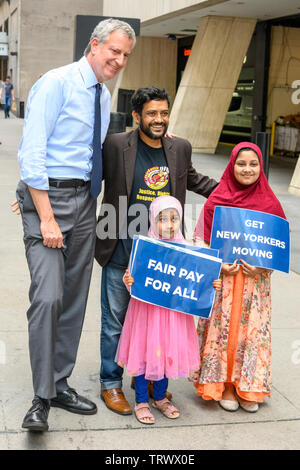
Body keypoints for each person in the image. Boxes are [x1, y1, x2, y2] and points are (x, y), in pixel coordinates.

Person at [16, 18, 135, 432]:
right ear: (94, 44)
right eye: (113, 51)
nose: (118, 60)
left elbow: (89, 154)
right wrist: (42, 212)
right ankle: (39, 397)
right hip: (50, 200)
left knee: (73, 300)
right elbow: (32, 152)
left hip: (84, 201)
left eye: (125, 55)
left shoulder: (102, 94)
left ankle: (59, 383)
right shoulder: (56, 83)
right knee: (47, 297)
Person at [95, 86, 219, 415]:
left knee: (155, 322)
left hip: (164, 255)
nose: (159, 119)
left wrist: (235, 195)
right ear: (137, 116)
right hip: (122, 248)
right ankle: (111, 383)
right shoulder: (116, 144)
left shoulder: (179, 147)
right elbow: (89, 176)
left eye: (163, 113)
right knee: (115, 322)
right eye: (151, 113)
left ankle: (147, 377)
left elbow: (195, 180)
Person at [193, 142, 286, 413]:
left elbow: (277, 246)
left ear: (261, 168)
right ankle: (225, 385)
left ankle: (248, 386)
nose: (247, 169)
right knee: (226, 334)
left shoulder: (270, 202)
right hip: (226, 281)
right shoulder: (217, 199)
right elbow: (200, 238)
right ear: (231, 166)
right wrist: (219, 265)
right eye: (241, 164)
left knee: (250, 334)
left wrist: (264, 268)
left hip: (254, 284)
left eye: (253, 164)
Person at [116, 195, 221, 424]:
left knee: (168, 353)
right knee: (145, 353)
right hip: (147, 315)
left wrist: (211, 283)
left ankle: (161, 397)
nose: (170, 224)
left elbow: (197, 280)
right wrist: (129, 279)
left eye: (175, 219)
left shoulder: (186, 249)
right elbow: (133, 277)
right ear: (154, 220)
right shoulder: (146, 247)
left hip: (173, 317)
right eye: (163, 219)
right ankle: (141, 399)